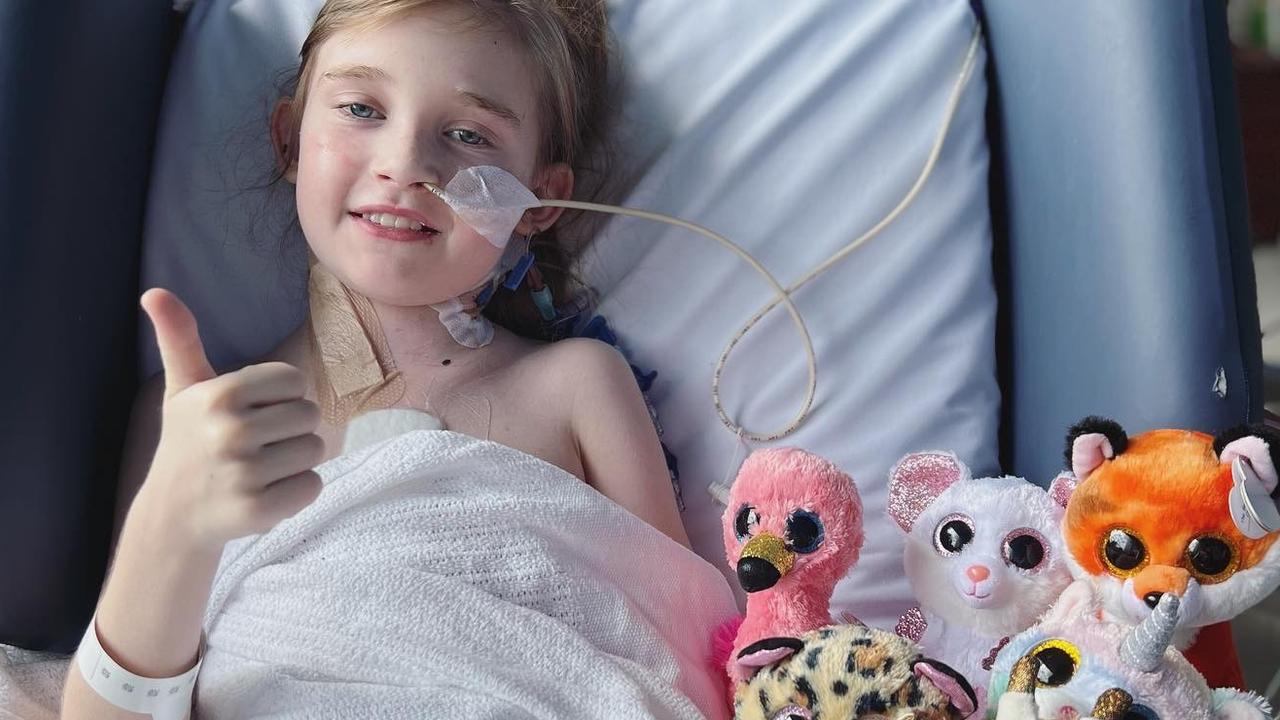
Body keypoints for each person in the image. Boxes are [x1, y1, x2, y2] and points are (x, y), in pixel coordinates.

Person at [60, 1, 692, 717]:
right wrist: (170, 521)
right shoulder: (200, 421)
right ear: (291, 140)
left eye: (466, 133)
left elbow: (690, 654)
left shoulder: (576, 389)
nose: (406, 164)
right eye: (362, 108)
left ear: (537, 201)